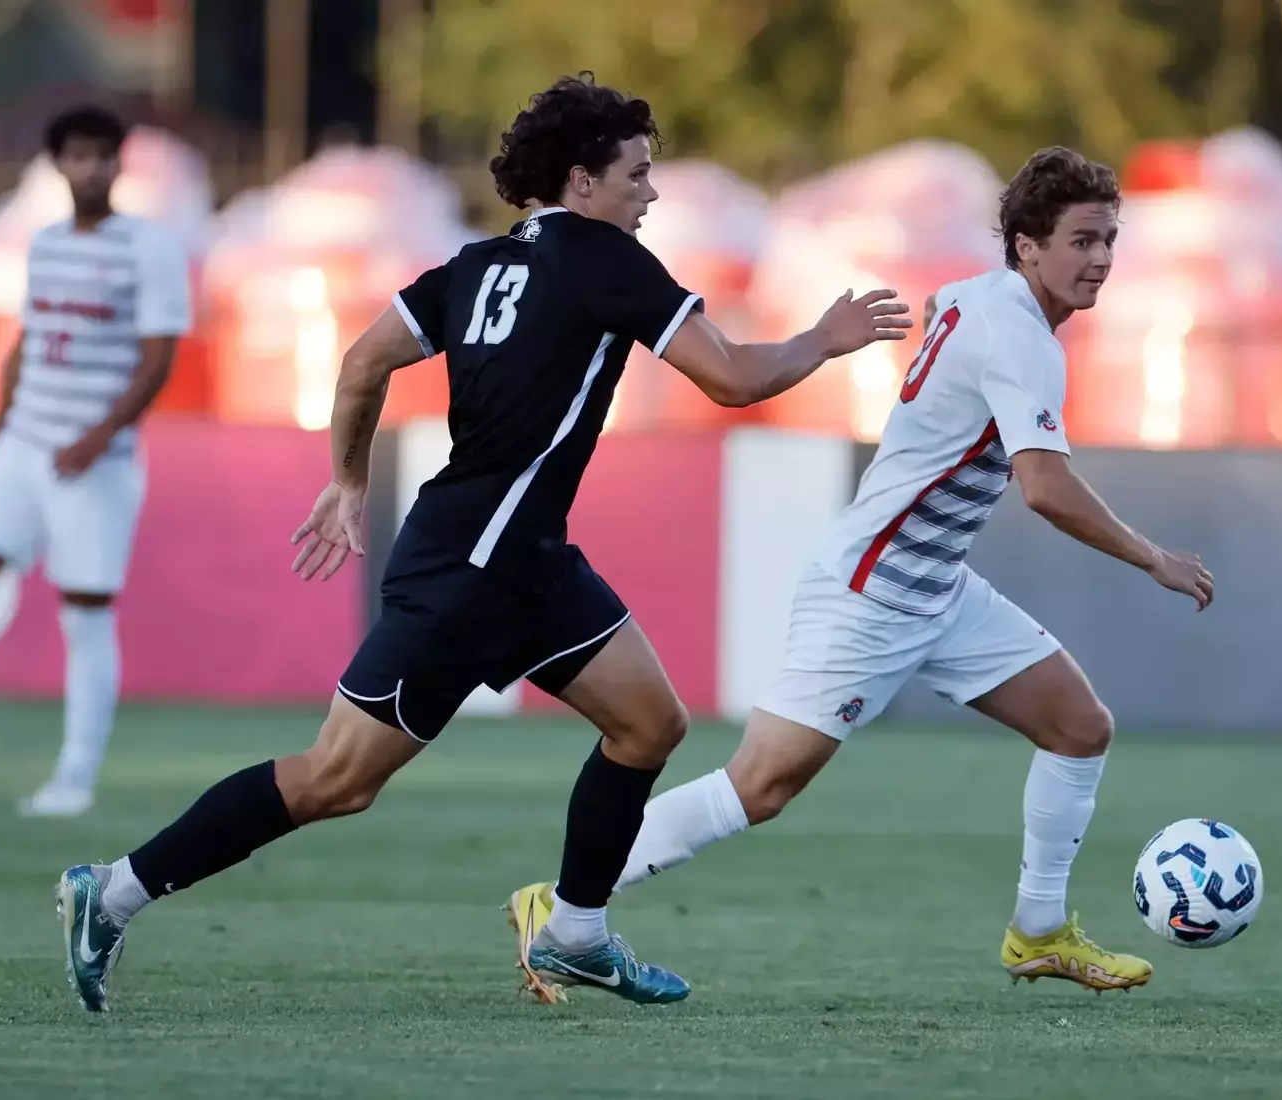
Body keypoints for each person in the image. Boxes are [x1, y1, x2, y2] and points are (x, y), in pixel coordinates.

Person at [53, 73, 911, 1013]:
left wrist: (349, 480)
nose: (651, 192)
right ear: (582, 181)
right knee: (336, 779)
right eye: (636, 173)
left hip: (525, 561)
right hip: (469, 571)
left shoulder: (474, 264)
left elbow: (364, 361)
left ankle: (576, 932)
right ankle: (114, 891)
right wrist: (825, 338)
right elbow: (735, 379)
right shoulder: (606, 259)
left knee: (649, 723)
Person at [509, 146, 1215, 995]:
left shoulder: (983, 297)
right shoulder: (1021, 338)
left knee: (1079, 727)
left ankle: (1039, 931)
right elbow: (1045, 489)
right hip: (871, 592)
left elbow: (948, 314)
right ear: (1028, 247)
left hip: (937, 586)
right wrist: (1152, 557)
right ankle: (564, 903)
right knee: (760, 787)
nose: (1100, 259)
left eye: (1109, 240)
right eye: (1082, 241)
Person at [0, 106, 191, 818]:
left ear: (119, 164)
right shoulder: (46, 244)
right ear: (58, 164)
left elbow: (159, 357)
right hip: (26, 443)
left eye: (103, 155)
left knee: (84, 614)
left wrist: (100, 435)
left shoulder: (149, 247)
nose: (91, 168)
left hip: (97, 462)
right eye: (78, 155)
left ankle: (74, 776)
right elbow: (27, 342)